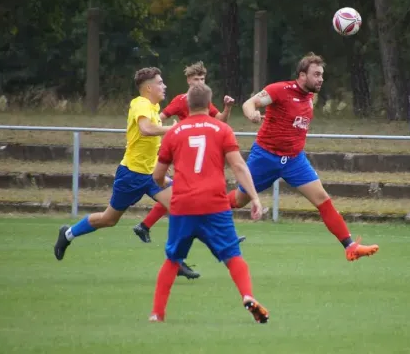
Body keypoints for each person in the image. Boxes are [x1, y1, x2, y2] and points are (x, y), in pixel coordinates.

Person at [227, 52, 379, 261]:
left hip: (294, 160)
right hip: (266, 157)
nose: (321, 79)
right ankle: (205, 209)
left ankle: (350, 246)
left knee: (322, 199)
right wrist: (251, 113)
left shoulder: (309, 97)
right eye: (316, 75)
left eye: (322, 75)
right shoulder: (280, 90)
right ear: (302, 75)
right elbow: (248, 103)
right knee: (239, 199)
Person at [149, 82, 268, 323]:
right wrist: (254, 197)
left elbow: (157, 176)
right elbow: (238, 166)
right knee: (233, 255)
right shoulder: (222, 129)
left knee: (173, 259)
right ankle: (247, 296)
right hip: (215, 204)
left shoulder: (174, 132)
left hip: (183, 206)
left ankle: (157, 314)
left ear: (187, 104)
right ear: (208, 103)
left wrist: (162, 184)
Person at [53, 67, 177, 262]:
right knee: (109, 219)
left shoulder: (153, 107)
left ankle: (176, 259)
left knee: (179, 205)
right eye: (160, 83)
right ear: (148, 88)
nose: (164, 86)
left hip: (151, 174)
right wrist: (172, 129)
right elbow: (145, 130)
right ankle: (68, 234)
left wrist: (160, 161)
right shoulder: (141, 104)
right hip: (131, 176)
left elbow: (148, 141)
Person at [132, 61, 244, 260]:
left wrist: (227, 107)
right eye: (195, 79)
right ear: (188, 81)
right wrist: (170, 132)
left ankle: (146, 226)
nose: (199, 82)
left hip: (198, 155)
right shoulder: (181, 100)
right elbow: (161, 117)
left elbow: (220, 120)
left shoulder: (204, 101)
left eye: (202, 79)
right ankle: (219, 241)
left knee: (179, 195)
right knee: (184, 196)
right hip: (183, 154)